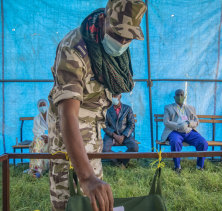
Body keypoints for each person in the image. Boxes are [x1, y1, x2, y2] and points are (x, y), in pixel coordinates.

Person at [47, 0, 147, 210]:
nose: (122, 41)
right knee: (69, 203)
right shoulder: (74, 49)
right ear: (104, 19)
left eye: (128, 37)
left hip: (93, 136)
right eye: (117, 33)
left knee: (95, 203)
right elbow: (68, 115)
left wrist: (92, 178)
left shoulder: (113, 52)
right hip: (69, 138)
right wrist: (86, 178)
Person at [161, 89, 208, 172]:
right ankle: (177, 166)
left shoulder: (190, 108)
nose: (179, 97)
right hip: (175, 131)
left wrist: (188, 123)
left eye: (181, 95)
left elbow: (196, 121)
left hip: (189, 131)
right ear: (174, 97)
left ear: (184, 97)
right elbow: (166, 122)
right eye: (178, 95)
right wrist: (179, 126)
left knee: (203, 142)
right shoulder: (168, 107)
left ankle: (199, 166)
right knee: (175, 142)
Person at [103, 94, 138, 167]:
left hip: (125, 135)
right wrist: (114, 135)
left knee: (134, 147)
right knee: (104, 149)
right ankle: (119, 163)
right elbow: (104, 125)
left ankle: (122, 162)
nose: (113, 98)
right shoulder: (106, 109)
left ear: (120, 96)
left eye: (115, 96)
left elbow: (131, 124)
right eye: (112, 96)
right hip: (111, 135)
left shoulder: (127, 108)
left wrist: (123, 136)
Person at [28, 99, 49, 178]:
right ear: (38, 107)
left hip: (51, 138)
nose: (42, 107)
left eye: (44, 105)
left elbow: (55, 129)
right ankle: (36, 170)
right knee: (37, 143)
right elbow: (36, 131)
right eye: (40, 105)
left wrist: (49, 137)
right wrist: (42, 136)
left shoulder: (52, 116)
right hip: (40, 138)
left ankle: (41, 169)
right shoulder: (36, 118)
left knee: (39, 143)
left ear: (47, 106)